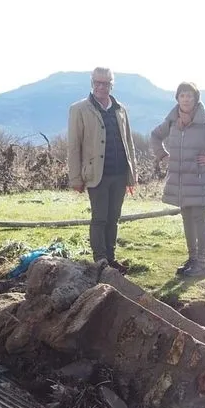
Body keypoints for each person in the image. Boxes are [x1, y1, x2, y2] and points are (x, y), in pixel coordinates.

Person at [150, 82, 205, 279]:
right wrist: (162, 155)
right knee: (187, 219)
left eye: (189, 96)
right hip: (180, 180)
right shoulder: (171, 121)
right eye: (182, 95)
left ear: (196, 99)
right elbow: (155, 136)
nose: (186, 99)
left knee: (199, 218)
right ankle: (192, 260)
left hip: (199, 179)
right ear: (177, 98)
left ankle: (202, 263)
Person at [67, 67, 137, 272]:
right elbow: (74, 146)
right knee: (100, 218)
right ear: (91, 83)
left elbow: (129, 143)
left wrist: (132, 176)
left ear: (111, 85)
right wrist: (75, 178)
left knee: (113, 217)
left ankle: (111, 258)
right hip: (96, 175)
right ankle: (101, 260)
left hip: (119, 173)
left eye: (105, 83)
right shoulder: (79, 109)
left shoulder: (120, 109)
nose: (101, 87)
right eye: (97, 82)